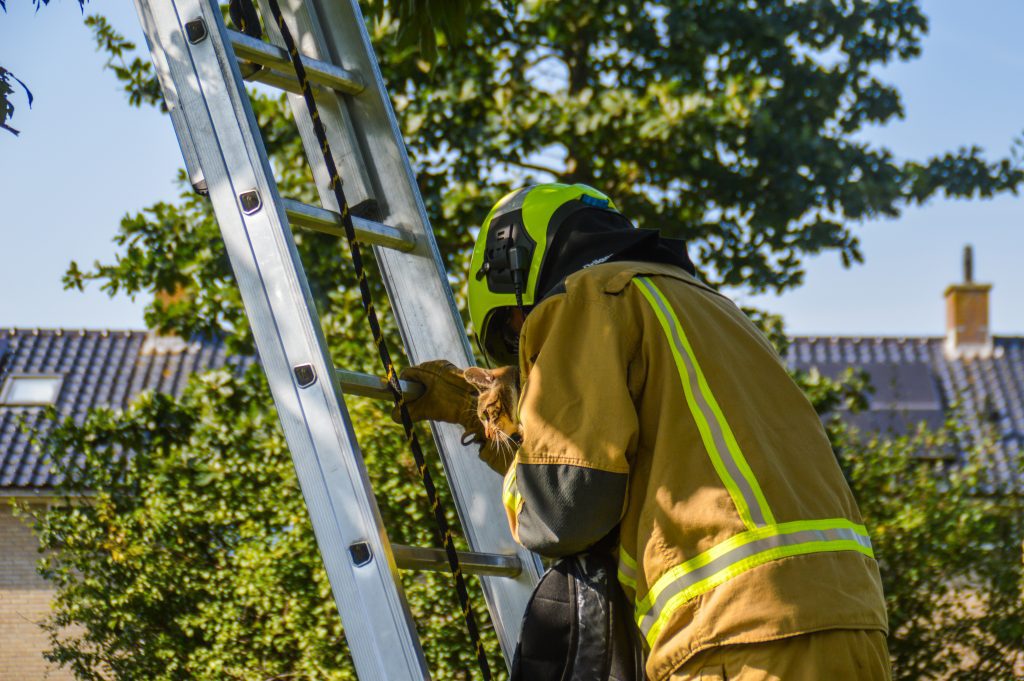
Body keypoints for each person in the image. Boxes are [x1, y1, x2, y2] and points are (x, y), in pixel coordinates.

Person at [401, 183, 890, 681]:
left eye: (513, 333)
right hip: (852, 625)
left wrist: (488, 420)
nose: (528, 348)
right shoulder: (709, 308)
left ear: (515, 272)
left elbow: (561, 512)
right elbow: (647, 461)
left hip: (735, 635)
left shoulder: (584, 299)